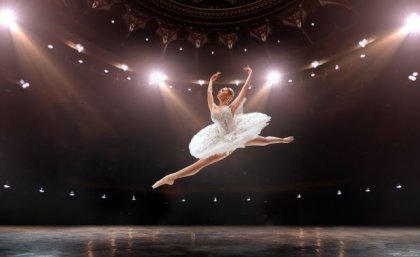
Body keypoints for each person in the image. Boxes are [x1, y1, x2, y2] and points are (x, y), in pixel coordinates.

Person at [152, 66, 294, 189]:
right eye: (220, 90)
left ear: (229, 96)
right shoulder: (213, 107)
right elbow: (209, 94)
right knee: (202, 163)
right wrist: (210, 82)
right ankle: (171, 177)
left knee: (263, 141)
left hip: (235, 134)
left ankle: (282, 140)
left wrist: (251, 73)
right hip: (220, 138)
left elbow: (244, 90)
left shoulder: (231, 107)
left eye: (224, 90)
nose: (220, 91)